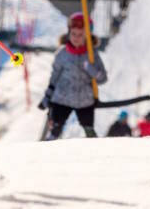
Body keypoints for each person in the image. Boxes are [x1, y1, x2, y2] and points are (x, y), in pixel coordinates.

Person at [38, 12, 108, 140]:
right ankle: (47, 149)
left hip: (85, 101)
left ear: (87, 36)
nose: (76, 37)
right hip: (61, 99)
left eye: (80, 35)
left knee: (89, 131)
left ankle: (95, 153)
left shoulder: (92, 55)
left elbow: (102, 78)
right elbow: (54, 77)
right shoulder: (62, 54)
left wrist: (91, 70)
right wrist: (47, 96)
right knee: (55, 129)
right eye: (73, 34)